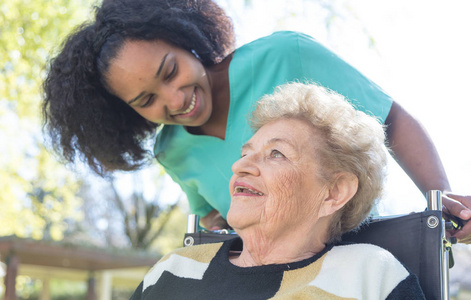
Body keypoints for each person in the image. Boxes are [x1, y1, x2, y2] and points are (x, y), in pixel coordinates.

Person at [42, 0, 470, 241]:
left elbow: (392, 120)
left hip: (365, 248)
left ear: (186, 38)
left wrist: (442, 199)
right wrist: (221, 224)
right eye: (146, 99)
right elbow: (212, 215)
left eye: (171, 71)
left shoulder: (287, 54)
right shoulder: (170, 151)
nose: (175, 100)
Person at [129, 82, 425, 299]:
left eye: (276, 154)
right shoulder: (173, 269)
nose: (240, 167)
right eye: (246, 153)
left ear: (334, 192)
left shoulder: (369, 274)